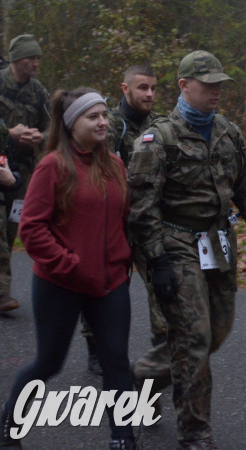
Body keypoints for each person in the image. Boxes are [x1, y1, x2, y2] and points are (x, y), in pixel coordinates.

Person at [128, 50, 246, 450]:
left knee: (216, 331)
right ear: (184, 86)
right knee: (193, 338)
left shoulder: (228, 132)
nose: (215, 91)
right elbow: (141, 208)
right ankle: (195, 431)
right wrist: (157, 260)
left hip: (217, 241)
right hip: (175, 242)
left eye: (219, 85)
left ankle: (142, 377)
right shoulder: (158, 138)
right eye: (207, 84)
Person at [0, 88, 136, 449]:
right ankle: (10, 424)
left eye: (104, 115)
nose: (103, 122)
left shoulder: (115, 165)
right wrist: (69, 264)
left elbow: (123, 221)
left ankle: (124, 438)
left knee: (116, 361)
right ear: (73, 123)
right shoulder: (53, 166)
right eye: (93, 117)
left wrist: (124, 260)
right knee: (48, 364)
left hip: (110, 283)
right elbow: (31, 228)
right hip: (61, 282)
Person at [82, 65, 163, 375]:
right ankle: (95, 347)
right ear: (125, 88)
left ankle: (160, 357)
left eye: (153, 88)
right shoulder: (109, 124)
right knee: (101, 287)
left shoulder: (159, 125)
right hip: (111, 223)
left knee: (161, 285)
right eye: (143, 87)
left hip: (147, 221)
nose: (150, 94)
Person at [0, 34, 49, 313]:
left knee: (11, 227)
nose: (36, 63)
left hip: (22, 172)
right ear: (18, 58)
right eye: (32, 57)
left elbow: (51, 126)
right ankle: (2, 293)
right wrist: (9, 133)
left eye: (38, 58)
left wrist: (38, 137)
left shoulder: (38, 91)